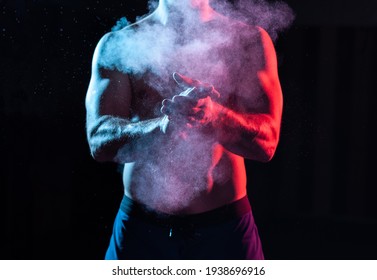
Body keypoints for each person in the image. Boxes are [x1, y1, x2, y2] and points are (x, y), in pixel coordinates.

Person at [85, 0, 282, 260]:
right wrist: (161, 127)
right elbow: (99, 139)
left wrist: (215, 118)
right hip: (142, 232)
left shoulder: (248, 41)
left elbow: (267, 143)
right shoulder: (117, 44)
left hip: (224, 232)